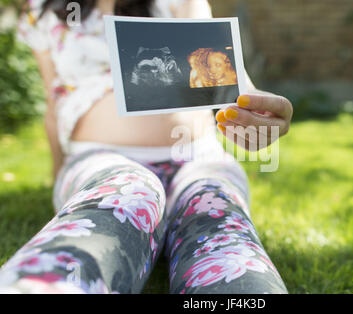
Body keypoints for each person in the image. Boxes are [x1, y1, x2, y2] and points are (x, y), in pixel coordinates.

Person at [0, 0, 293, 294]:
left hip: (199, 158)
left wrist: (257, 111)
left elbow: (229, 80)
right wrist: (60, 177)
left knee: (216, 212)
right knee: (127, 193)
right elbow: (54, 105)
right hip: (102, 159)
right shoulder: (43, 10)